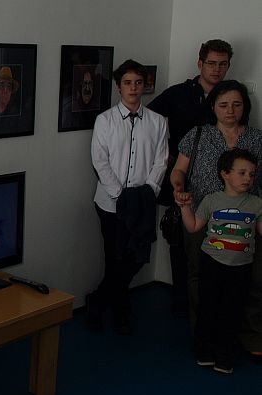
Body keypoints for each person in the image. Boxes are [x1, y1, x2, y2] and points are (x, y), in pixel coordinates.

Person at [172, 80, 262, 351]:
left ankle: (248, 335)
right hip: (201, 214)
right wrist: (179, 187)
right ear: (213, 107)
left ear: (245, 106)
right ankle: (204, 333)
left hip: (246, 219)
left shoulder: (257, 138)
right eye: (223, 105)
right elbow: (179, 170)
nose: (230, 110)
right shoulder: (198, 134)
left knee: (251, 278)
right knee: (200, 276)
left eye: (236, 104)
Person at [147, 39, 233, 317]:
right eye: (211, 63)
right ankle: (182, 303)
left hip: (222, 183)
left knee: (219, 243)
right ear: (200, 63)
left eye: (222, 64)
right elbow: (148, 121)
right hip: (182, 179)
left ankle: (211, 305)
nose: (217, 69)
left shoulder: (231, 96)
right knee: (181, 242)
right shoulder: (178, 94)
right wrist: (166, 155)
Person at [86, 59, 168, 334]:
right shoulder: (105, 120)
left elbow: (161, 160)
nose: (133, 88)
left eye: (138, 83)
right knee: (115, 258)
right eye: (127, 83)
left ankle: (97, 301)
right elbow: (100, 161)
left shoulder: (157, 122)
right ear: (119, 87)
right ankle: (121, 312)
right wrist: (120, 195)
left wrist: (148, 192)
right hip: (110, 204)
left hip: (142, 203)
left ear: (145, 86)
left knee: (135, 258)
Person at [179, 149, 262, 374]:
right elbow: (193, 227)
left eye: (252, 174)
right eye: (242, 173)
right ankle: (204, 350)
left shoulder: (256, 204)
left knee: (232, 311)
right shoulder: (212, 200)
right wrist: (184, 206)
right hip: (212, 264)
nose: (248, 178)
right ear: (225, 174)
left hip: (241, 268)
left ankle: (225, 355)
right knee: (208, 307)